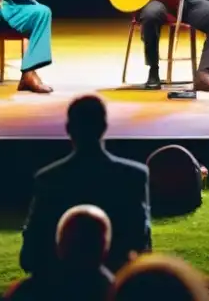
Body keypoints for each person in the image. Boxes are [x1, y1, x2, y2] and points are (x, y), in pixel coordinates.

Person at [20, 94, 152, 275]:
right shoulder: (134, 176)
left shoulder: (49, 179)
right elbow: (141, 243)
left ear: (68, 128)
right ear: (104, 127)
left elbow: (30, 255)